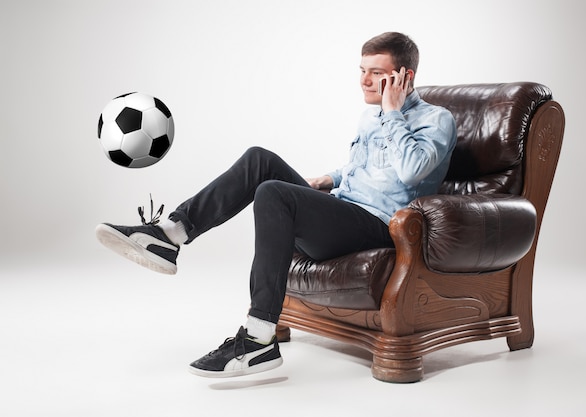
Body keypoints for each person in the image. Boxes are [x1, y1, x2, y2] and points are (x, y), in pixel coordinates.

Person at [95, 31, 457, 378]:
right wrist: (329, 179)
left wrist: (393, 113)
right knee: (260, 160)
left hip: (378, 227)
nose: (364, 81)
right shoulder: (370, 115)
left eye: (376, 73)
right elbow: (365, 167)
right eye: (361, 71)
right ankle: (169, 233)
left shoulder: (436, 119)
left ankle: (258, 338)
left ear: (404, 76)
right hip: (343, 212)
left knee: (272, 192)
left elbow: (410, 172)